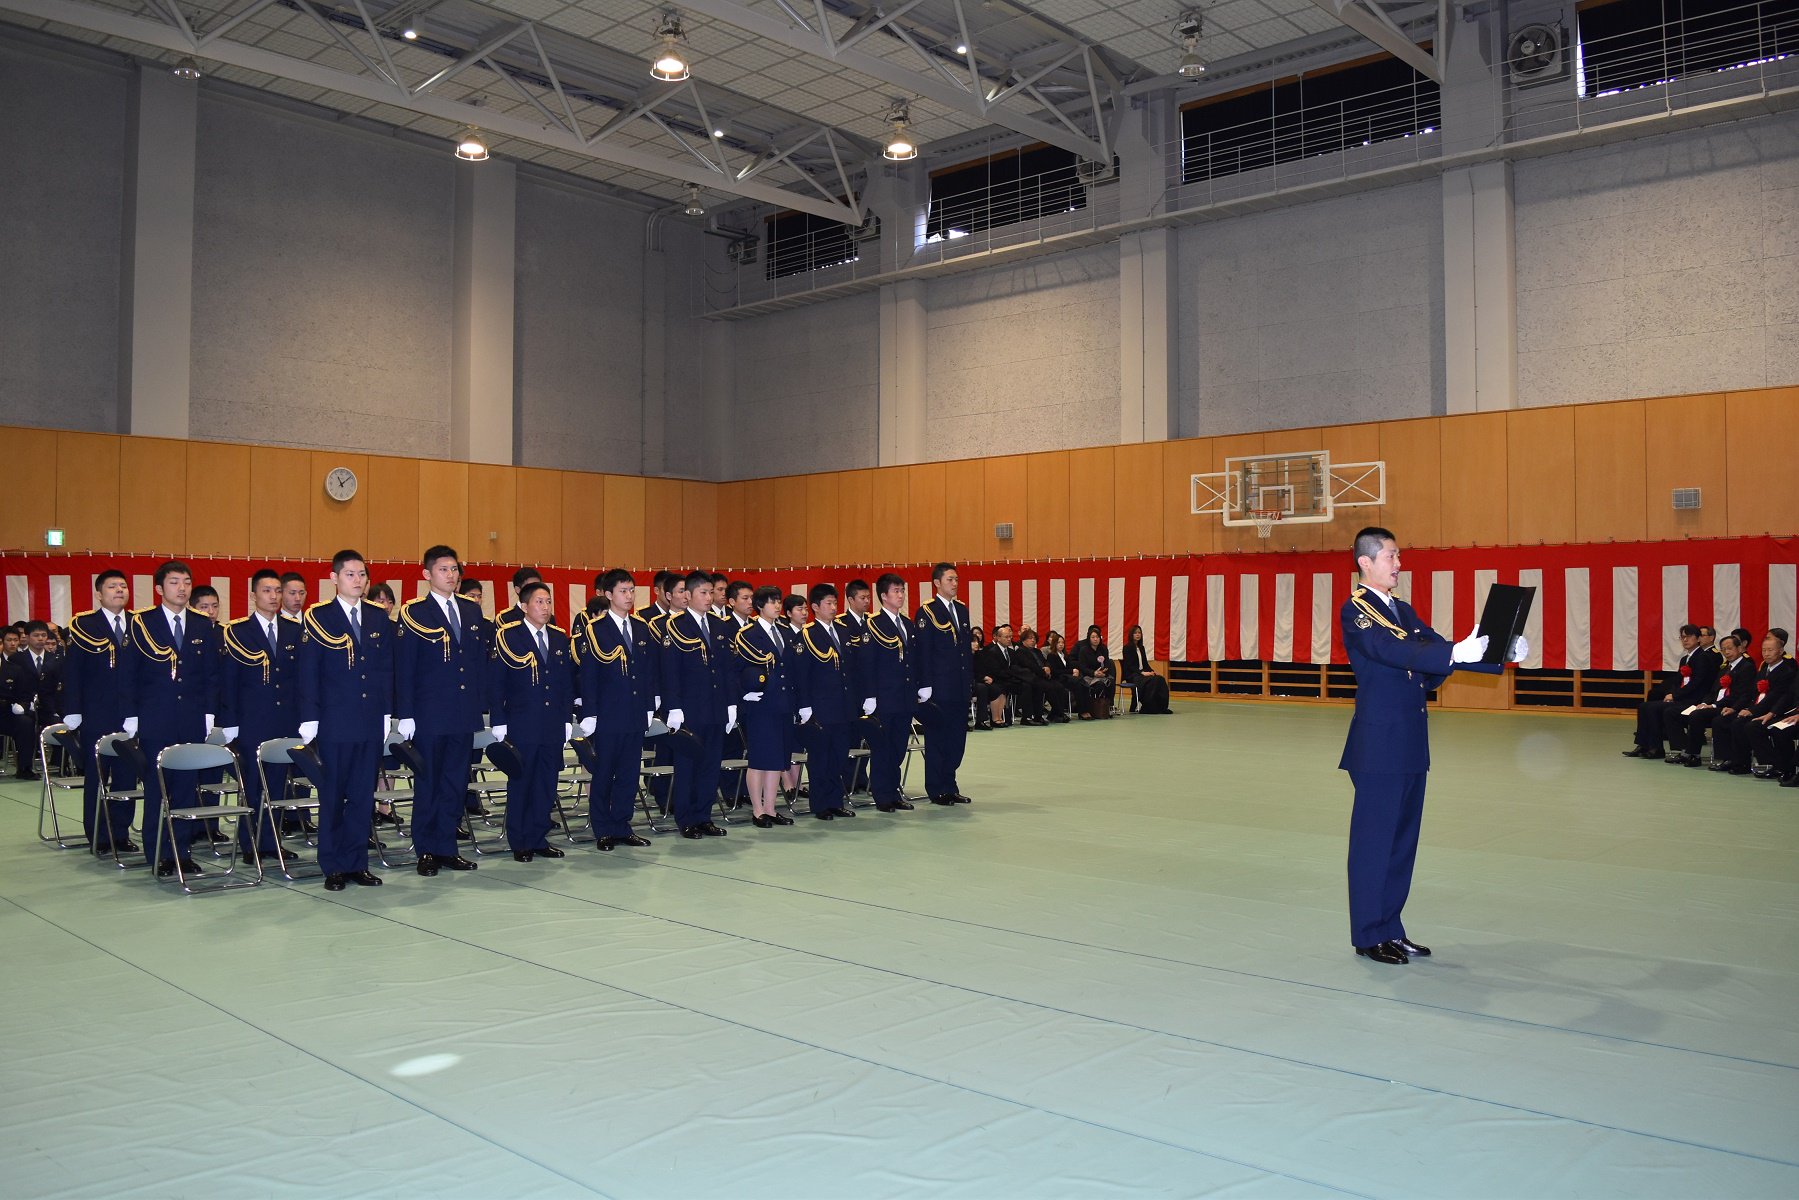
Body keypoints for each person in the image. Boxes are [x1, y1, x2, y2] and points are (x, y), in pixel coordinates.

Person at [1340, 526, 1518, 965]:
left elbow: (1433, 650)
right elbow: (1394, 651)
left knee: (1401, 843)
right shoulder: (1358, 611)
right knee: (1374, 842)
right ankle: (1367, 933)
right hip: (1379, 746)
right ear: (1366, 562)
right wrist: (1454, 652)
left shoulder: (1400, 609)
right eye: (1391, 556)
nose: (1399, 564)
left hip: (1408, 743)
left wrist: (1496, 651)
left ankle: (1390, 929)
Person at [298, 550, 392, 891]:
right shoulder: (319, 616)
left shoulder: (378, 616)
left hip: (368, 720)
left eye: (362, 574)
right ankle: (333, 865)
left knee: (362, 795)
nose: (358, 580)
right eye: (350, 574)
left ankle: (356, 863)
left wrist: (385, 711)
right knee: (334, 795)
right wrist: (310, 718)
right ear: (334, 578)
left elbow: (384, 670)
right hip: (334, 720)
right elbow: (309, 671)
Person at [394, 545, 489, 878]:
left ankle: (447, 846)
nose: (452, 575)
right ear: (427, 575)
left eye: (455, 570)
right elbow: (405, 667)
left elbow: (477, 662)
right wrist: (406, 713)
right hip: (430, 713)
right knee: (429, 783)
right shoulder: (415, 612)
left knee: (455, 782)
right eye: (444, 570)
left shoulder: (471, 610)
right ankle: (426, 850)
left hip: (462, 712)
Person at [121, 561, 219, 877]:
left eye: (187, 582)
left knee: (186, 789)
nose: (182, 588)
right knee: (157, 787)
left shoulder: (203, 625)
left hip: (191, 718)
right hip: (155, 717)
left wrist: (208, 713)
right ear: (160, 588)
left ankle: (182, 851)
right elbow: (129, 673)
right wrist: (132, 715)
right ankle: (158, 853)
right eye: (175, 582)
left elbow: (210, 675)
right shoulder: (141, 623)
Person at [217, 569, 303, 863]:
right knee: (252, 786)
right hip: (252, 721)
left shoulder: (294, 631)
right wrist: (229, 723)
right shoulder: (238, 631)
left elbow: (300, 680)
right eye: (267, 591)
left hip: (285, 721)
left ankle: (271, 842)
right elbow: (229, 680)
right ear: (254, 595)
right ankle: (249, 844)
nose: (274, 596)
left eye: (278, 591)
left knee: (278, 786)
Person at [490, 581, 575, 862]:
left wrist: (566, 719)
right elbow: (498, 683)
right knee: (522, 782)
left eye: (548, 601)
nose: (546, 607)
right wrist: (499, 721)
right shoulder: (509, 637)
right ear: (524, 607)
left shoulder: (560, 637)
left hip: (551, 724)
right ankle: (520, 840)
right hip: (522, 722)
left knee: (546, 783)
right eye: (539, 602)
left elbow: (565, 684)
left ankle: (539, 837)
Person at [576, 569, 657, 852]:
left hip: (635, 712)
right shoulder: (595, 629)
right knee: (604, 772)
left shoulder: (641, 627)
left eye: (632, 590)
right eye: (623, 591)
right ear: (608, 595)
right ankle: (603, 828)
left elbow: (647, 672)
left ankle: (622, 825)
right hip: (609, 714)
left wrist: (650, 705)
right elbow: (590, 675)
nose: (629, 596)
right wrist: (591, 713)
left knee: (628, 772)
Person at [59, 570, 139, 851]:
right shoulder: (84, 624)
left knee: (127, 775)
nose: (119, 590)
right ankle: (98, 835)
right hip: (97, 711)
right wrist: (73, 709)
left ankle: (120, 833)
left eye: (123, 586)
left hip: (131, 714)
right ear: (99, 593)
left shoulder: (139, 624)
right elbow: (73, 671)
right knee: (98, 775)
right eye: (112, 586)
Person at [660, 571, 731, 838]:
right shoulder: (675, 626)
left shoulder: (719, 625)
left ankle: (704, 816)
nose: (709, 597)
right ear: (688, 596)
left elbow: (726, 670)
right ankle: (686, 818)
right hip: (689, 709)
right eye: (703, 592)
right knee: (687, 765)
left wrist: (731, 704)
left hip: (715, 707)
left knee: (711, 765)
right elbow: (670, 671)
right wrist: (674, 706)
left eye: (711, 592)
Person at [734, 586, 798, 828]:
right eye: (772, 602)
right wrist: (744, 693)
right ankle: (758, 810)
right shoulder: (748, 633)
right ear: (760, 606)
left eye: (779, 601)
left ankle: (771, 808)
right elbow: (737, 668)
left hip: (782, 703)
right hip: (760, 703)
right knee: (760, 759)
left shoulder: (784, 632)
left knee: (778, 759)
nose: (778, 606)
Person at [795, 583, 859, 821]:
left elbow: (849, 670)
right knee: (821, 756)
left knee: (840, 755)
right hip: (820, 706)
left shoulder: (842, 631)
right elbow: (802, 674)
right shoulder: (807, 634)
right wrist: (805, 705)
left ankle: (836, 800)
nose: (834, 608)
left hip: (842, 705)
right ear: (815, 607)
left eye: (835, 603)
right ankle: (820, 803)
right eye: (828, 604)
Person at [914, 562, 972, 806]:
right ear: (937, 583)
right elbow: (923, 651)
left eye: (956, 579)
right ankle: (936, 788)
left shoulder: (962, 610)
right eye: (950, 579)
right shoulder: (926, 612)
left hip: (958, 686)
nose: (955, 583)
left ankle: (950, 784)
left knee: (957, 739)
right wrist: (925, 684)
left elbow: (965, 651)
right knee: (938, 739)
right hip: (939, 687)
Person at [864, 573, 917, 813]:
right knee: (883, 748)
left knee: (897, 747)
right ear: (883, 596)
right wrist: (870, 695)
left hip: (904, 696)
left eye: (902, 590)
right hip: (884, 697)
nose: (901, 595)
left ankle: (893, 791)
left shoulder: (906, 624)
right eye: (896, 591)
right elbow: (868, 663)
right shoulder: (873, 624)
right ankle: (882, 794)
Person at [1623, 625, 1716, 759]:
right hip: (1681, 698)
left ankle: (1659, 748)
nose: (1685, 640)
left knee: (1656, 709)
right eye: (1682, 637)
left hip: (1693, 700)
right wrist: (1671, 693)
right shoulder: (1685, 659)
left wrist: (1676, 695)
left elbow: (1698, 683)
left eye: (1688, 637)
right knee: (1644, 706)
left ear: (1698, 639)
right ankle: (1645, 744)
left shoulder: (1703, 657)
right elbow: (1677, 681)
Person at [1711, 630, 1794, 776]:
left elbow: (1776, 697)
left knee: (1752, 726)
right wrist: (1737, 708)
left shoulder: (1786, 671)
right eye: (1764, 650)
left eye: (1770, 650)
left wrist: (1752, 711)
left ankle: (1773, 764)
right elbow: (1750, 694)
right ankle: (1738, 762)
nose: (1766, 654)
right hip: (1757, 708)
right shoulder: (1763, 671)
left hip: (1773, 711)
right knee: (1727, 720)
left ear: (1780, 651)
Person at [1666, 633, 1754, 766]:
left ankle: (1695, 755)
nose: (1727, 652)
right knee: (1675, 712)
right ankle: (1686, 751)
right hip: (1714, 705)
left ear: (1740, 648)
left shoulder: (1747, 667)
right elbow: (1713, 691)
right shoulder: (1724, 668)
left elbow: (1739, 695)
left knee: (1698, 716)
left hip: (1729, 707)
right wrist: (1704, 702)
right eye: (1724, 649)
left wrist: (1713, 706)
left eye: (1730, 648)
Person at [1, 620, 61, 781]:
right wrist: (23, 704)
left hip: (47, 706)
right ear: (26, 638)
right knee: (25, 723)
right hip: (24, 706)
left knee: (62, 720)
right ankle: (25, 767)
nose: (41, 639)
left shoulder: (55, 659)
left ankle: (62, 765)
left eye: (43, 635)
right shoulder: (16, 659)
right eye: (36, 635)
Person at [1015, 628, 1070, 723]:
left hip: (1042, 676)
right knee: (1047, 687)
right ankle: (1057, 713)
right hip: (1031, 677)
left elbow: (1045, 662)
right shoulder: (1020, 651)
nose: (1033, 641)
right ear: (1023, 640)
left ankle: (1055, 713)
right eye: (1030, 638)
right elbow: (1029, 665)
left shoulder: (1037, 651)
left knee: (1059, 687)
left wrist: (1047, 667)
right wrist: (1043, 671)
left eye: (1034, 639)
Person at [1121, 625, 1171, 714]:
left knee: (1160, 679)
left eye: (1139, 633)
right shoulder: (1127, 648)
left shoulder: (1141, 648)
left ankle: (1161, 707)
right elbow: (1130, 666)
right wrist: (1142, 673)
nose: (1137, 635)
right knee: (1151, 681)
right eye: (1135, 633)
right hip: (1133, 675)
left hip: (1142, 673)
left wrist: (1151, 671)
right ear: (1131, 635)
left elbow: (1145, 664)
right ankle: (1148, 707)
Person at [1070, 625, 1115, 719]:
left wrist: (1103, 672)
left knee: (1111, 682)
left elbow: (1107, 664)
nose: (1095, 639)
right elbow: (1082, 667)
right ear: (1089, 638)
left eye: (1097, 637)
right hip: (1088, 676)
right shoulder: (1084, 650)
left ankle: (1108, 706)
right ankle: (1095, 708)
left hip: (1101, 675)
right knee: (1099, 685)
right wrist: (1093, 673)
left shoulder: (1103, 649)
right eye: (1093, 637)